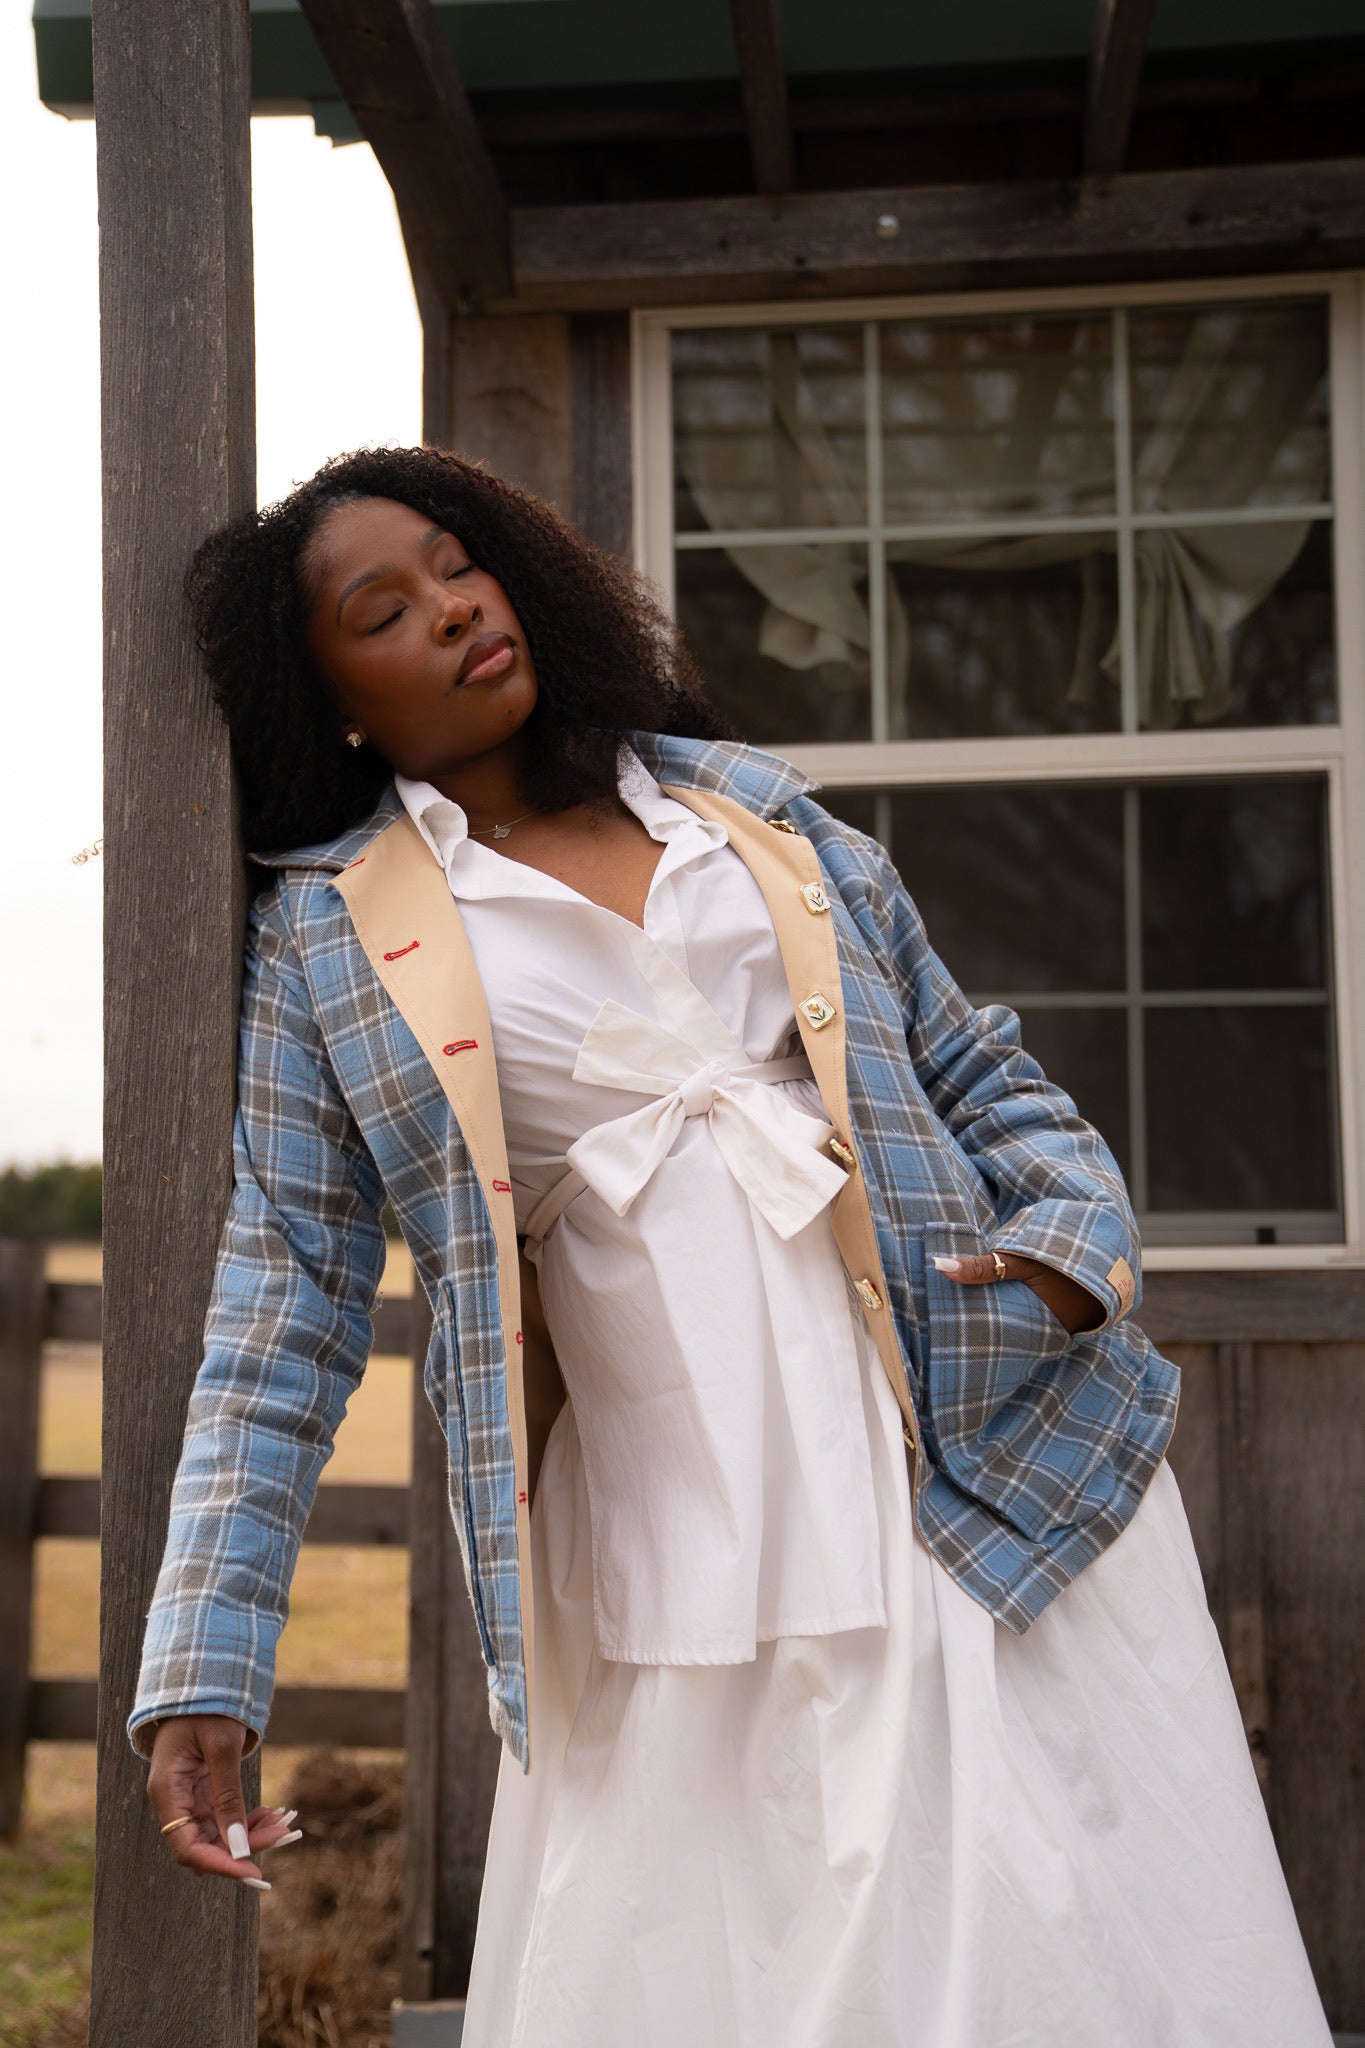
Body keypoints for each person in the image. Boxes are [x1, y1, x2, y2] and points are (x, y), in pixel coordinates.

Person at [133, 446, 1331, 2046]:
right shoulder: (331, 935)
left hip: (950, 1435)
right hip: (668, 1509)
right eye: (384, 609)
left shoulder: (743, 808)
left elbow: (978, 1067)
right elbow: (282, 1306)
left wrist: (1068, 1245)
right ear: (329, 695)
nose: (454, 607)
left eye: (457, 562)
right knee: (720, 1952)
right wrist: (207, 1663)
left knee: (1045, 1922)